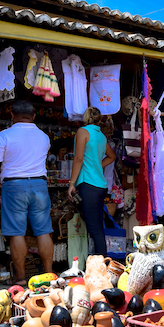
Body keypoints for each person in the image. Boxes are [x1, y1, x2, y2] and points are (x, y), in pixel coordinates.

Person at [0, 100, 54, 284]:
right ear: (33, 116)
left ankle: (20, 277)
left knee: (17, 232)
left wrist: (5, 166)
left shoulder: (4, 135)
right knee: (43, 230)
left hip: (14, 186)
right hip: (39, 185)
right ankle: (49, 275)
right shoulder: (43, 137)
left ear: (12, 115)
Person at [67, 106, 117, 257]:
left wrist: (71, 183)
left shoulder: (83, 132)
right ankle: (102, 260)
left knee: (94, 228)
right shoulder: (101, 136)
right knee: (97, 227)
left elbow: (78, 159)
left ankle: (101, 262)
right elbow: (112, 156)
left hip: (88, 184)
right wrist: (97, 165)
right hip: (100, 185)